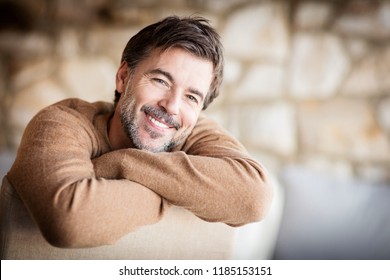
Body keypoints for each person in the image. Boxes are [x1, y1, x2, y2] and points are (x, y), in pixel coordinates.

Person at [2, 16, 273, 249]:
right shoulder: (62, 122)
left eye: (192, 97)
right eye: (160, 80)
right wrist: (182, 192)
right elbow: (69, 221)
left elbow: (255, 198)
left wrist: (120, 162)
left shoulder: (192, 129)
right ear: (123, 77)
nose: (172, 106)